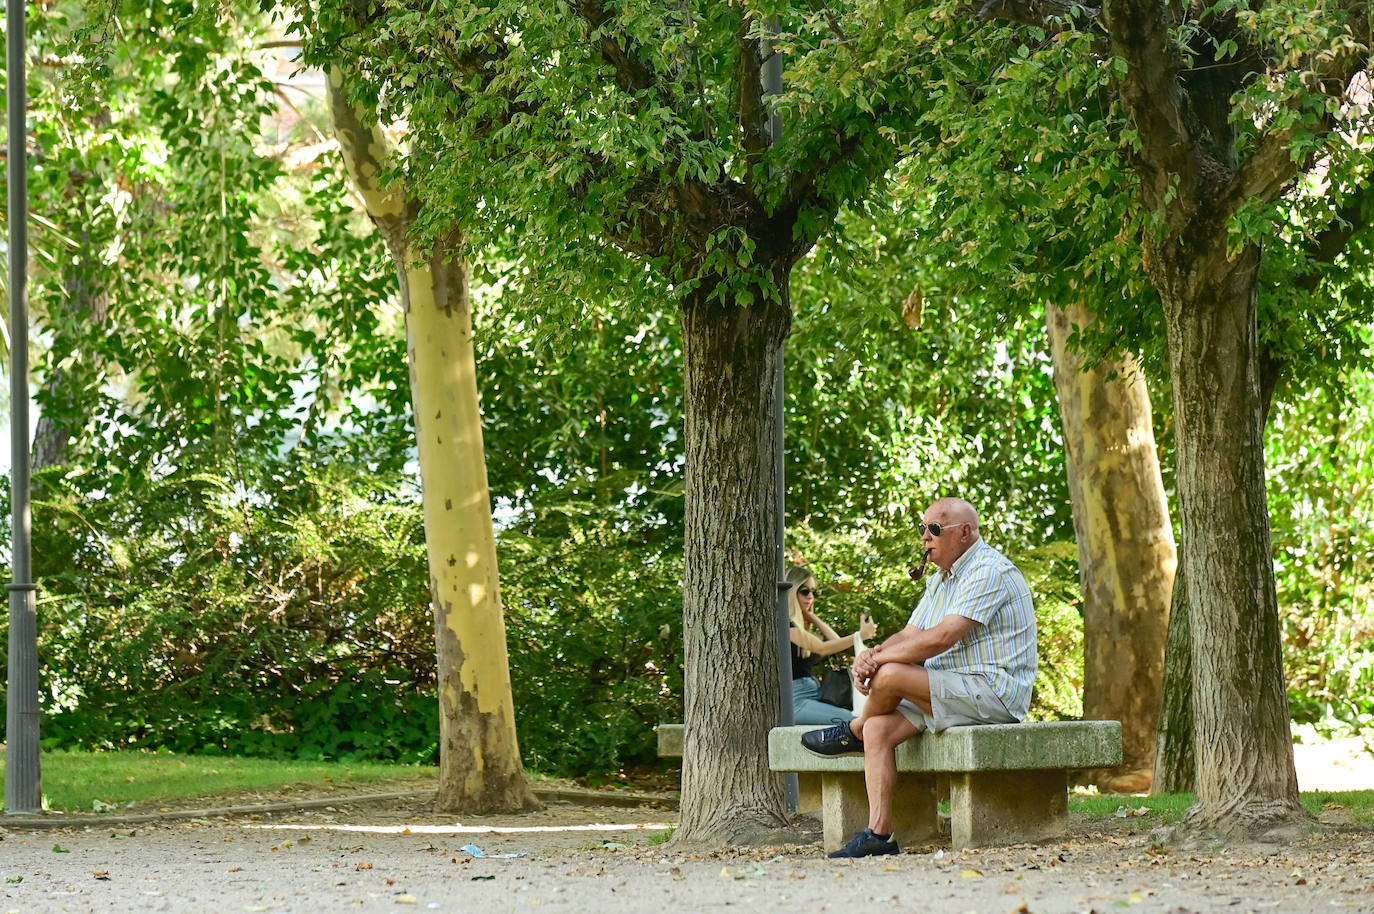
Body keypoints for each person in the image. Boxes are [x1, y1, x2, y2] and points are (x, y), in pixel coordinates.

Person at [799, 497, 1037, 858]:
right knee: (880, 728)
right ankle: (879, 835)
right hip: (949, 687)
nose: (925, 537)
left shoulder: (989, 571)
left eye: (935, 529)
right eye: (922, 528)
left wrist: (880, 665)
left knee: (890, 677)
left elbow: (941, 638)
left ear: (965, 533)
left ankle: (854, 730)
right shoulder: (942, 579)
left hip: (991, 693)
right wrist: (870, 657)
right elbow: (910, 635)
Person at [786, 565, 878, 726]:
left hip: (811, 695)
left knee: (861, 716)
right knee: (856, 721)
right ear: (792, 591)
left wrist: (812, 617)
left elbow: (835, 641)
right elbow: (822, 648)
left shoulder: (799, 625)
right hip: (796, 701)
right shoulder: (785, 625)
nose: (810, 597)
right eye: (805, 591)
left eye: (814, 592)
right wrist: (861, 635)